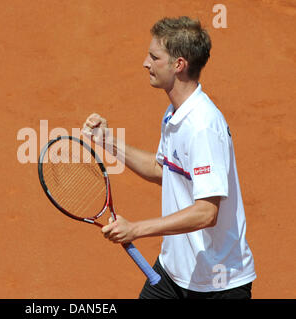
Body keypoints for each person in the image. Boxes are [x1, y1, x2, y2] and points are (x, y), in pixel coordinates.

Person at [82, 16, 256, 299]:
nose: (145, 63)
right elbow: (162, 170)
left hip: (217, 285)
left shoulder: (202, 127)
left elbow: (207, 212)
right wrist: (107, 141)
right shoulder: (175, 115)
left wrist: (136, 229)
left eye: (154, 57)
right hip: (173, 273)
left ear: (178, 65)